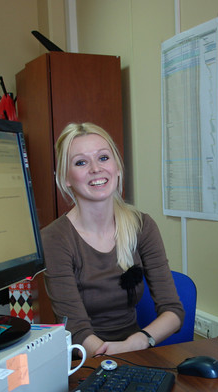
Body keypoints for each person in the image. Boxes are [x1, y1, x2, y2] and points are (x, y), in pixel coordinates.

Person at [41, 122, 184, 357]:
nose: (96, 169)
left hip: (137, 351)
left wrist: (139, 341)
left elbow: (173, 312)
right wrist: (109, 353)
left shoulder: (142, 226)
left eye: (103, 158)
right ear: (66, 178)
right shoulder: (54, 238)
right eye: (81, 162)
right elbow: (76, 330)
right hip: (86, 360)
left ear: (117, 167)